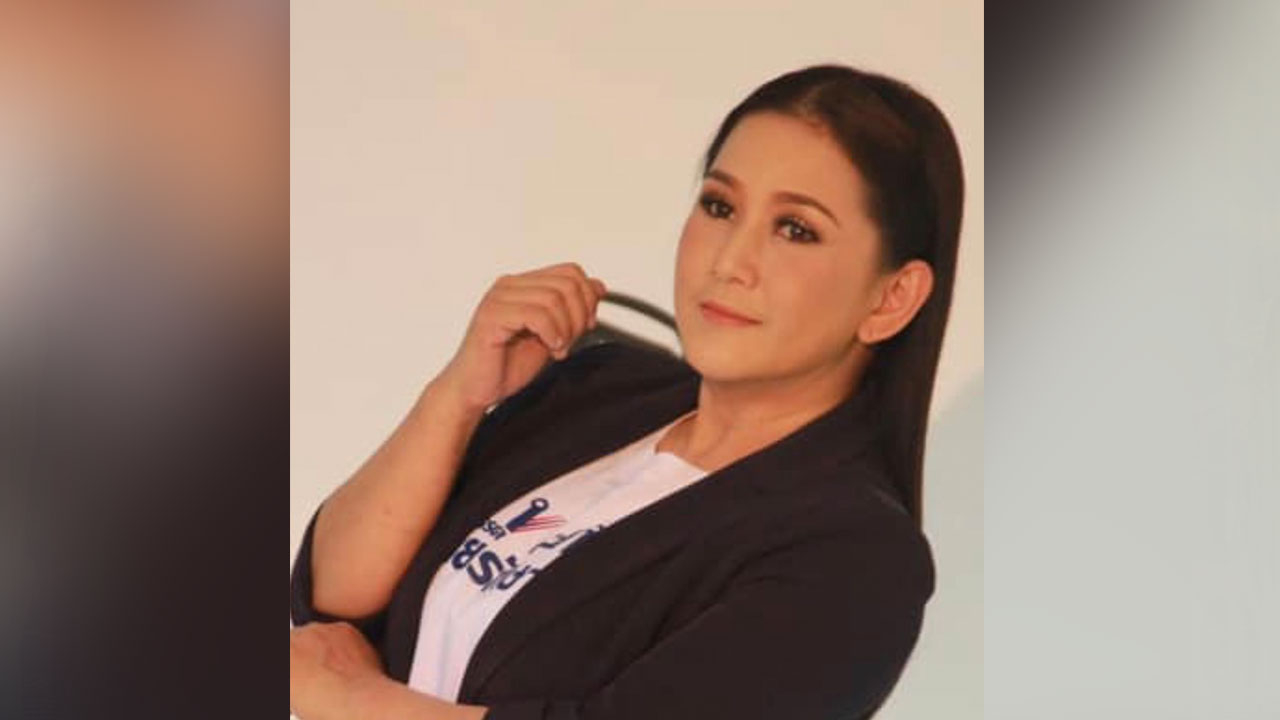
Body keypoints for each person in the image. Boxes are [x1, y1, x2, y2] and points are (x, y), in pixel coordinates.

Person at [290, 62, 965, 720]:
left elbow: (324, 678)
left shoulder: (858, 560)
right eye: (720, 206)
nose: (729, 260)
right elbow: (336, 599)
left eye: (796, 229)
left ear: (892, 298)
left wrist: (355, 702)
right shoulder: (598, 387)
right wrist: (459, 395)